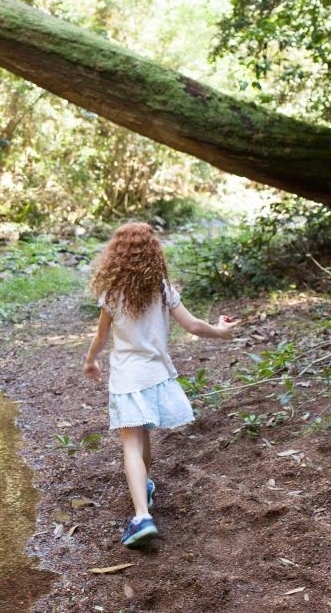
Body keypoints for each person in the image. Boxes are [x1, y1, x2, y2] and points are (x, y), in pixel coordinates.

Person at [83, 221, 236, 548]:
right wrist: (221, 332)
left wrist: (90, 360)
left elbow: (101, 336)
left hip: (127, 377)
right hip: (156, 375)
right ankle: (146, 487)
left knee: (132, 445)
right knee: (143, 434)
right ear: (153, 250)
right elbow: (193, 325)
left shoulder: (112, 293)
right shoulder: (162, 288)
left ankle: (141, 516)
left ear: (116, 253)